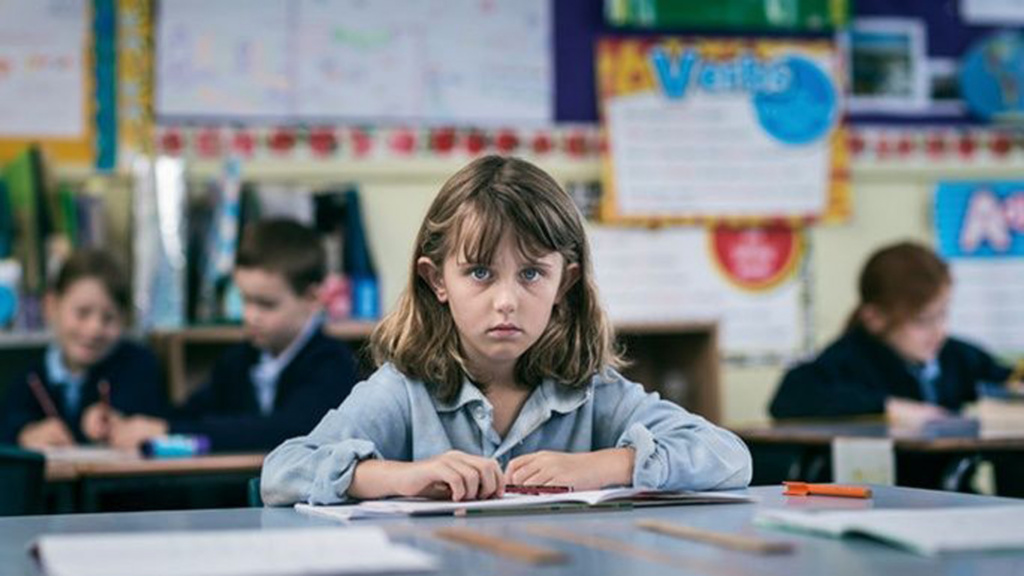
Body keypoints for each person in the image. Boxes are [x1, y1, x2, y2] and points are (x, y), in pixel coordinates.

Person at [260, 155, 751, 505]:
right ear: (437, 281)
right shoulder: (403, 392)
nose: (506, 301)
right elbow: (281, 472)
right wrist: (397, 476)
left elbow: (729, 458)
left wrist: (607, 465)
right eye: (479, 272)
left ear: (565, 283)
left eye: (532, 274)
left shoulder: (590, 391)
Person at [109, 219, 360, 452]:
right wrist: (126, 420)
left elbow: (285, 431)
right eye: (245, 300)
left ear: (313, 298)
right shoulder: (239, 360)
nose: (251, 316)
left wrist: (169, 430)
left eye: (266, 304)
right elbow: (189, 413)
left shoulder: (332, 364)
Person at [769, 241, 1013, 424]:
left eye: (943, 314)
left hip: (952, 487)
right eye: (922, 321)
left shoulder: (955, 355)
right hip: (884, 487)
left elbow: (1003, 378)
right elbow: (790, 397)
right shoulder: (849, 359)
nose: (940, 331)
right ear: (875, 318)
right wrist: (889, 407)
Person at [0, 249, 166, 449]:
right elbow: (8, 424)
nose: (94, 329)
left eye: (109, 318)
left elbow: (152, 419)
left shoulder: (140, 366)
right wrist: (25, 434)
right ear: (51, 306)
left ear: (124, 319)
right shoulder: (29, 377)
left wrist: (118, 423)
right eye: (82, 313)